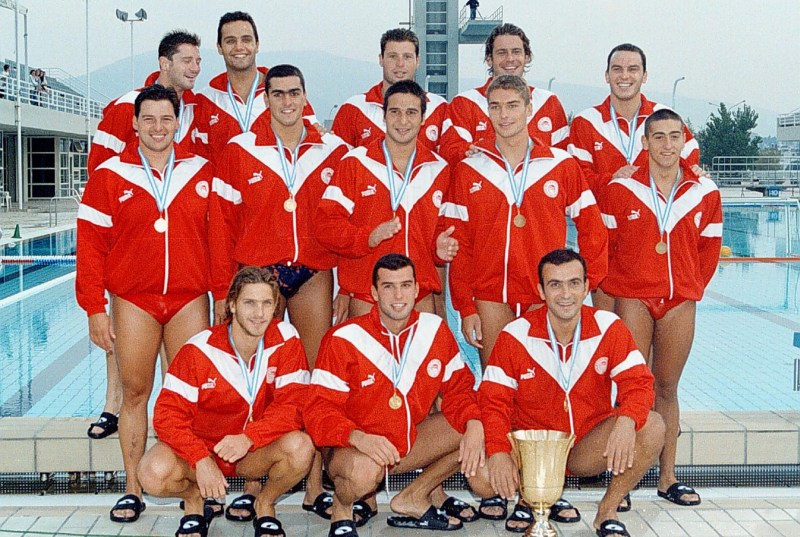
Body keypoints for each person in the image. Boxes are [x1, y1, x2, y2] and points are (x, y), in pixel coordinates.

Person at [209, 63, 349, 519]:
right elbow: (221, 225)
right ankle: (253, 484)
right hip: (257, 272)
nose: (287, 102)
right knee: (257, 375)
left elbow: (346, 221)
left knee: (314, 376)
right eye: (278, 94)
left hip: (312, 271)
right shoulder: (240, 149)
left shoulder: (333, 150)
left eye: (294, 93)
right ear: (265, 98)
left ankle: (314, 484)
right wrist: (223, 290)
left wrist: (347, 285)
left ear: (305, 96)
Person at [76, 85, 213, 523]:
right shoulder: (110, 175)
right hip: (134, 300)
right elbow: (90, 247)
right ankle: (132, 489)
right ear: (135, 123)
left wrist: (226, 295)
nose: (158, 127)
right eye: (149, 119)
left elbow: (219, 238)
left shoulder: (201, 171)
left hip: (189, 298)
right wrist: (94, 307)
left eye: (166, 119)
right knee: (135, 393)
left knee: (190, 397)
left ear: (178, 123)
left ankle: (193, 489)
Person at [473, 248, 665, 537]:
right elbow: (493, 401)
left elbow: (638, 383)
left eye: (574, 283)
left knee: (652, 425)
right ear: (541, 291)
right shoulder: (515, 335)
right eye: (555, 285)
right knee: (481, 478)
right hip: (531, 450)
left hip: (585, 446)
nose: (566, 294)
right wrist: (499, 452)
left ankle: (607, 511)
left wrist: (627, 421)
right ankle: (529, 498)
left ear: (586, 287)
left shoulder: (608, 327)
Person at [304, 254, 484, 537]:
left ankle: (414, 496)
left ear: (416, 289)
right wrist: (357, 438)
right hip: (352, 449)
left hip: (405, 444)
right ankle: (342, 509)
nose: (398, 296)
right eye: (388, 287)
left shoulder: (434, 330)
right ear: (374, 293)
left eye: (405, 285)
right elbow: (317, 411)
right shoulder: (343, 338)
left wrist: (474, 422)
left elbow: (459, 391)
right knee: (363, 473)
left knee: (476, 427)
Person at [597, 108, 722, 509]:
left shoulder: (705, 192)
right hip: (633, 297)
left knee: (667, 388)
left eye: (674, 136)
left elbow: (709, 250)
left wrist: (688, 287)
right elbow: (606, 248)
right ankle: (621, 482)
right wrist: (615, 294)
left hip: (678, 301)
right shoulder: (621, 189)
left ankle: (668, 478)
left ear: (684, 141)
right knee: (631, 388)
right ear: (645, 142)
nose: (667, 145)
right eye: (659, 137)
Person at [442, 74, 607, 375]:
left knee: (545, 385)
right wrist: (465, 307)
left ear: (529, 109)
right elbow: (460, 245)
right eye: (495, 107)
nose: (503, 115)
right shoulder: (469, 169)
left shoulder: (560, 165)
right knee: (497, 383)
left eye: (512, 105)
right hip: (491, 296)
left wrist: (584, 283)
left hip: (545, 293)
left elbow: (593, 228)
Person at [138, 266, 314, 537]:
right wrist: (200, 458)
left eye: (267, 303)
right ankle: (194, 500)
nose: (259, 313)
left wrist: (249, 437)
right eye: (249, 303)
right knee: (151, 473)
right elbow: (166, 416)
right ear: (232, 305)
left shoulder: (286, 339)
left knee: (301, 447)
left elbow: (294, 407)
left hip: (251, 451)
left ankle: (265, 504)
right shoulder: (200, 350)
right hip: (203, 451)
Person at [567, 43, 700, 312]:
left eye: (633, 69)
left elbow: (687, 163)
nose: (624, 76)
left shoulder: (664, 117)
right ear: (607, 75)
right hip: (603, 240)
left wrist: (693, 172)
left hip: (647, 242)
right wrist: (612, 178)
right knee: (607, 326)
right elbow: (576, 182)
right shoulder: (586, 122)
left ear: (644, 75)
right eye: (617, 69)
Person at [331, 28, 450, 319]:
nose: (400, 64)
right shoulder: (353, 112)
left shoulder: (441, 111)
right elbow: (336, 211)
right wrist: (345, 284)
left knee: (435, 333)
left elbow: (442, 215)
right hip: (366, 277)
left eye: (407, 57)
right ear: (380, 59)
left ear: (418, 61)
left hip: (422, 271)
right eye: (393, 56)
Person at [316, 80, 458, 322]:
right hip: (367, 292)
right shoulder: (355, 163)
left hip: (419, 292)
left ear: (423, 118)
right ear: (384, 116)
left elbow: (440, 232)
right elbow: (325, 226)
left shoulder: (439, 170)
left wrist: (438, 248)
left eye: (411, 112)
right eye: (395, 112)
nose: (403, 120)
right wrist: (366, 238)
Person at [194, 11, 317, 163]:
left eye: (246, 40)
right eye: (230, 41)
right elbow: (199, 161)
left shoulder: (285, 94)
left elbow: (313, 141)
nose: (239, 47)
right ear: (219, 47)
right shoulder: (204, 101)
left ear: (257, 45)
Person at [439, 23, 568, 164]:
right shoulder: (465, 103)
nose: (510, 58)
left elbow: (563, 159)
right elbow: (449, 154)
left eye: (516, 52)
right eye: (502, 53)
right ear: (489, 59)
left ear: (527, 57)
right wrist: (473, 151)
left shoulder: (548, 102)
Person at [88, 30, 202, 174]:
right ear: (164, 63)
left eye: (198, 62)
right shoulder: (127, 106)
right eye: (187, 61)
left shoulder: (197, 109)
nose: (195, 68)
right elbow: (99, 168)